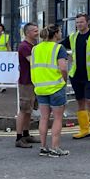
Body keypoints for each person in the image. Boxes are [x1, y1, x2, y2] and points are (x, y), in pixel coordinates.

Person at [60, 13, 90, 141]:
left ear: (88, 23)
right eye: (77, 23)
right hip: (76, 75)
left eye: (81, 22)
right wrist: (68, 57)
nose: (78, 25)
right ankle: (84, 129)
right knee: (80, 102)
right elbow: (59, 47)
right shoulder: (73, 37)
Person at [31, 24, 69, 157]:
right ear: (56, 34)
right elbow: (63, 68)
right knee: (58, 118)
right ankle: (55, 148)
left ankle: (43, 147)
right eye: (59, 32)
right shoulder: (59, 48)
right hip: (56, 87)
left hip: (40, 88)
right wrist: (65, 80)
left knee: (44, 118)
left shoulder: (35, 49)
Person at [15, 23, 42, 148]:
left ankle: (26, 134)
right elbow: (33, 62)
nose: (38, 32)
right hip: (26, 82)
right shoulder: (24, 46)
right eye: (35, 31)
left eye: (37, 30)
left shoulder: (34, 45)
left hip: (33, 81)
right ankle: (19, 138)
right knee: (23, 110)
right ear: (27, 33)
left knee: (29, 110)